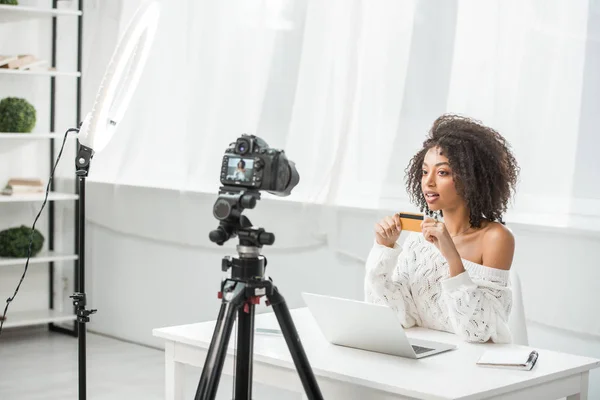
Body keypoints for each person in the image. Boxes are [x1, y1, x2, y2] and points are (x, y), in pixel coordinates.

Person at [364, 114, 520, 343]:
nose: (428, 182)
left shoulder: (496, 238)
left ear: (471, 178)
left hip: (477, 365)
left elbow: (479, 332)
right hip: (429, 358)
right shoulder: (419, 238)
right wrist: (384, 249)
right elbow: (397, 316)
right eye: (425, 171)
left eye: (443, 172)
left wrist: (452, 258)